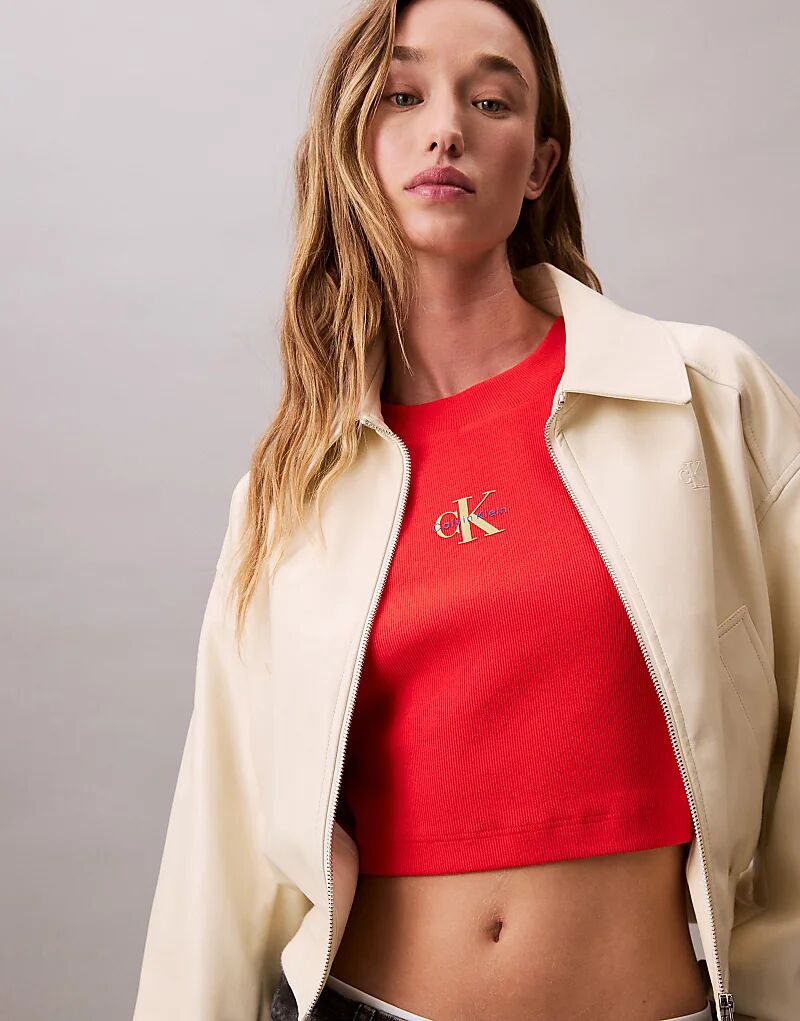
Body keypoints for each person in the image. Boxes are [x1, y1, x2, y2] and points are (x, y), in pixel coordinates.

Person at [131, 2, 800, 1020]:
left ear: (538, 164)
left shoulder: (704, 399)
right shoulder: (295, 488)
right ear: (353, 145)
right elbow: (216, 856)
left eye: (490, 101)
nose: (445, 129)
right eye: (403, 95)